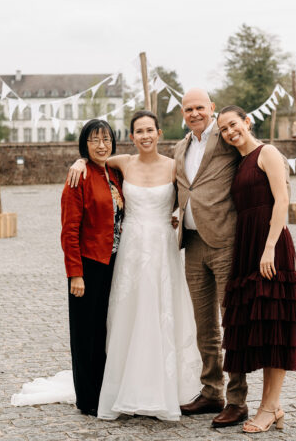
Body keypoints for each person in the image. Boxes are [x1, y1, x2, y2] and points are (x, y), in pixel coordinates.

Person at [66, 111, 201, 421]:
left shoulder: (173, 166)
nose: (144, 136)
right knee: (127, 316)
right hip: (131, 251)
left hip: (162, 248)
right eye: (138, 131)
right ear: (131, 137)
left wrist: (178, 217)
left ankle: (161, 387)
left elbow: (189, 195)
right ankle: (122, 387)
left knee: (160, 314)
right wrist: (78, 162)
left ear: (159, 132)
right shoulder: (123, 163)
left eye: (149, 130)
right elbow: (95, 161)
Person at [216, 105, 296, 433]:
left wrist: (269, 248)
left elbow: (282, 200)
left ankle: (268, 408)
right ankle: (274, 406)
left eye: (233, 124)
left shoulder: (266, 152)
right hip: (247, 245)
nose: (230, 132)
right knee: (264, 327)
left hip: (269, 244)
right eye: (224, 129)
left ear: (247, 122)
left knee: (277, 326)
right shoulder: (238, 162)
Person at [174, 88, 249, 428]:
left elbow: (254, 154)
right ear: (182, 113)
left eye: (200, 107)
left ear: (212, 108)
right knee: (204, 325)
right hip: (191, 244)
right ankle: (211, 391)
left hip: (225, 242)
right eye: (188, 109)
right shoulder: (180, 147)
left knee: (230, 322)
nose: (194, 113)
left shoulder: (226, 136)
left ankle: (237, 400)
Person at [59, 119, 124, 416]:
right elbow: (69, 229)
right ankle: (88, 399)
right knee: (85, 334)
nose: (102, 145)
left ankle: (106, 390)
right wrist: (75, 273)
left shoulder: (114, 173)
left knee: (105, 331)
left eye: (107, 139)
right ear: (84, 144)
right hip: (88, 265)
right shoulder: (79, 177)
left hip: (115, 264)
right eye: (95, 140)